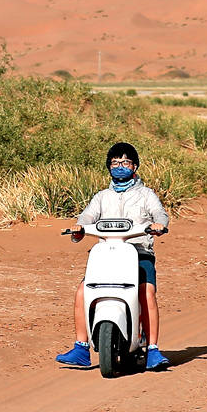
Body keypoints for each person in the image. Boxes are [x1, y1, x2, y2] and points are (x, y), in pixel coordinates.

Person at [56, 142, 171, 371]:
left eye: (125, 162)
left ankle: (153, 350)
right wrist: (79, 227)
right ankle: (81, 347)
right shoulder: (102, 197)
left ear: (135, 166)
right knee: (82, 291)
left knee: (146, 292)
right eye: (115, 163)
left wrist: (159, 225)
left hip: (138, 252)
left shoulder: (146, 195)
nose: (120, 166)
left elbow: (160, 213)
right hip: (107, 253)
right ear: (109, 167)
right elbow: (87, 216)